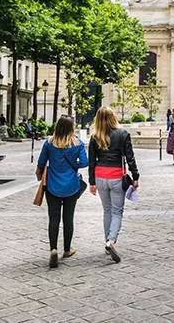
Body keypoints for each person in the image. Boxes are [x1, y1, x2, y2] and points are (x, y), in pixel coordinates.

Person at [88, 107, 139, 263]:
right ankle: (111, 240)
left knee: (107, 210)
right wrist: (135, 176)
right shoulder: (123, 134)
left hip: (100, 176)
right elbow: (130, 157)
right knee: (117, 211)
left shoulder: (95, 136)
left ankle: (107, 242)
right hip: (116, 176)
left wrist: (92, 182)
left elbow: (91, 162)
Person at [36, 115, 88, 268]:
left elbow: (41, 163)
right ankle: (67, 249)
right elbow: (85, 162)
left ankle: (53, 249)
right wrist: (74, 167)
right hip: (71, 186)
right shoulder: (77, 143)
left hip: (52, 185)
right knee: (68, 218)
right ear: (72, 128)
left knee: (53, 219)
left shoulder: (49, 143)